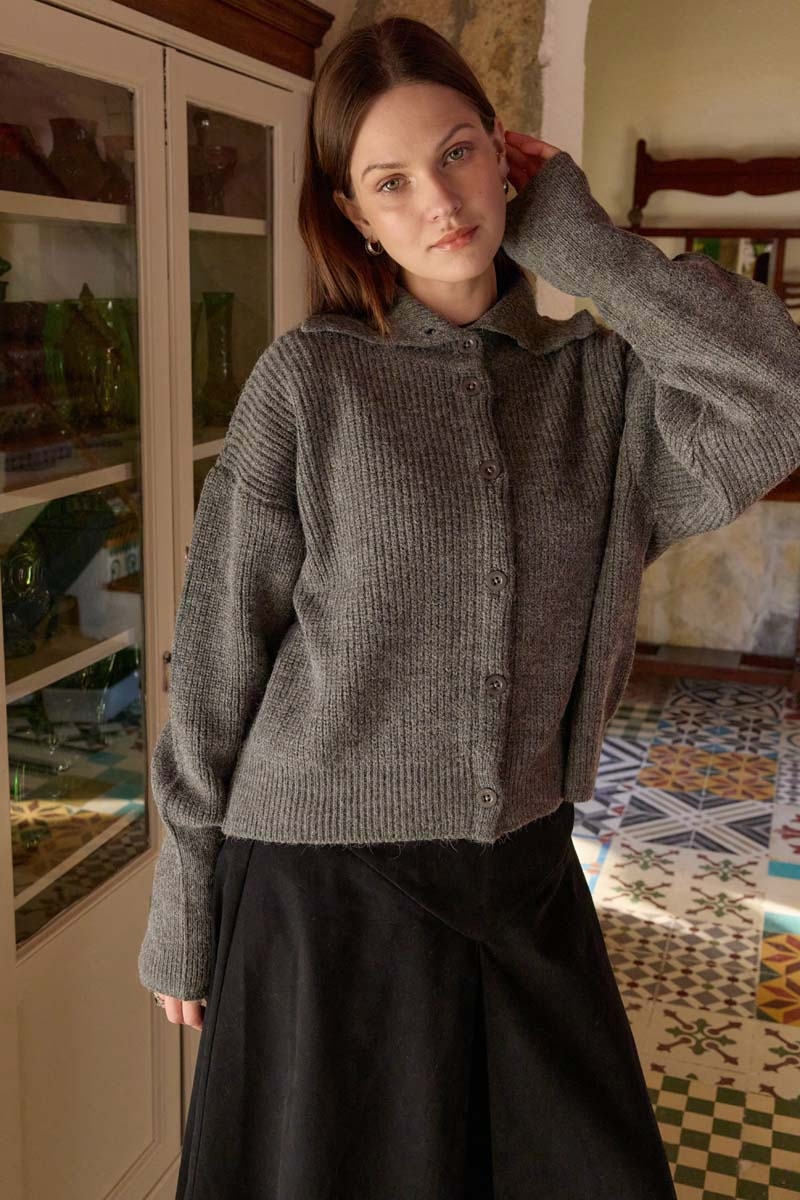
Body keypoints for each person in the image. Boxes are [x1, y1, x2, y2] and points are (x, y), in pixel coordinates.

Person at [137, 16, 800, 1200]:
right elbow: (221, 654)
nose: (438, 202)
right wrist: (184, 901)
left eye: (455, 154)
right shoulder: (310, 382)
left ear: (505, 157)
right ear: (353, 213)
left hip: (522, 878)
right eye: (390, 180)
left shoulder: (596, 387)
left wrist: (587, 247)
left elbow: (776, 399)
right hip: (322, 892)